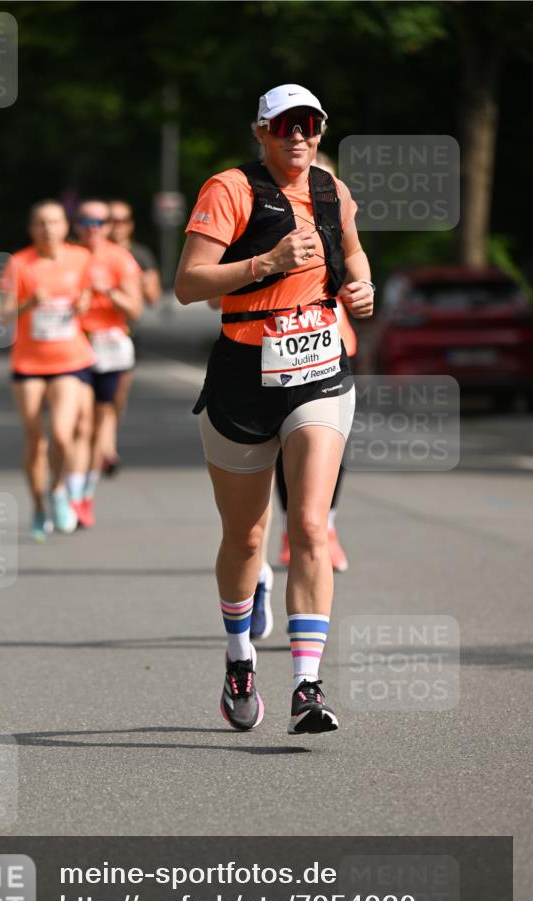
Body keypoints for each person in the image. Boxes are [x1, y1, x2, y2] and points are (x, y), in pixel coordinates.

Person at [175, 84, 374, 735]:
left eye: (309, 125)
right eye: (284, 125)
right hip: (243, 373)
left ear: (320, 132)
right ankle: (239, 658)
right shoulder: (229, 189)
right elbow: (187, 285)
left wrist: (360, 284)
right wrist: (267, 262)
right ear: (260, 131)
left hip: (318, 369)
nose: (298, 136)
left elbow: (350, 252)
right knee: (246, 537)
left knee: (311, 527)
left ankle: (307, 688)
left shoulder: (329, 190)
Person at [277, 152, 357, 572]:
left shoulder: (339, 218)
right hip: (278, 353)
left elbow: (358, 268)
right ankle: (295, 527)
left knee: (333, 446)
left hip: (335, 347)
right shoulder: (268, 220)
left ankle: (325, 526)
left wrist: (361, 287)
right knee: (283, 448)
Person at [0, 200, 95, 541]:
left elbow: (88, 296)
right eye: (41, 223)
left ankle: (57, 489)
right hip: (28, 363)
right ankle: (39, 507)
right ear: (32, 229)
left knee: (62, 433)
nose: (48, 229)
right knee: (34, 440)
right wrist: (29, 303)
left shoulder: (80, 258)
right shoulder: (19, 263)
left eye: (54, 222)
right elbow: (4, 314)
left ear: (65, 226)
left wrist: (84, 302)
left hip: (70, 359)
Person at [71, 200, 142, 523]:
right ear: (76, 225)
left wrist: (108, 292)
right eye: (86, 221)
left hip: (111, 347)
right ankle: (73, 494)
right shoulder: (68, 258)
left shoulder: (119, 258)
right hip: (73, 348)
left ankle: (86, 492)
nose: (93, 228)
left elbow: (135, 309)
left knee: (104, 413)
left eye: (99, 222)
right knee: (80, 423)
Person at [108, 200, 162, 470]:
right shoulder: (93, 251)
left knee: (116, 394)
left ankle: (107, 440)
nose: (115, 225)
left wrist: (139, 281)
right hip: (90, 332)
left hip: (126, 333)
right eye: (110, 219)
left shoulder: (139, 254)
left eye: (121, 220)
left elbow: (153, 297)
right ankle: (100, 445)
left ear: (129, 224)